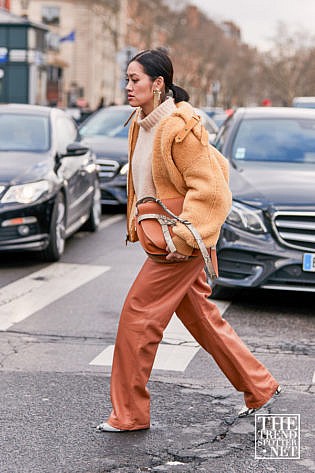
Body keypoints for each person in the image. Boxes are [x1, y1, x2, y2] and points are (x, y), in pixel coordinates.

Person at [96, 49, 280, 433]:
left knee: (137, 317)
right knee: (201, 318)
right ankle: (259, 387)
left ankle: (129, 413)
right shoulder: (141, 122)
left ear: (158, 84)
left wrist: (184, 237)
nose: (128, 86)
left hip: (181, 243)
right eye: (127, 79)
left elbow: (212, 189)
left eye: (135, 80)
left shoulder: (180, 126)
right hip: (170, 239)